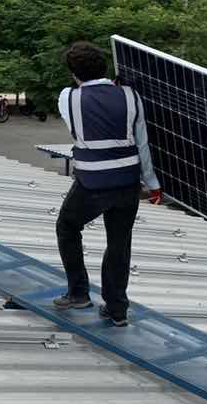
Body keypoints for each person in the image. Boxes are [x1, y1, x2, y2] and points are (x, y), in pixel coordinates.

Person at [52, 41, 162, 326]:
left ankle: (78, 293)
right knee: (119, 243)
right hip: (128, 182)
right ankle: (116, 309)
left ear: (74, 74)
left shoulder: (68, 98)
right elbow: (142, 142)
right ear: (105, 66)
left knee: (67, 226)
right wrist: (152, 183)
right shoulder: (131, 96)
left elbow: (80, 126)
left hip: (92, 183)